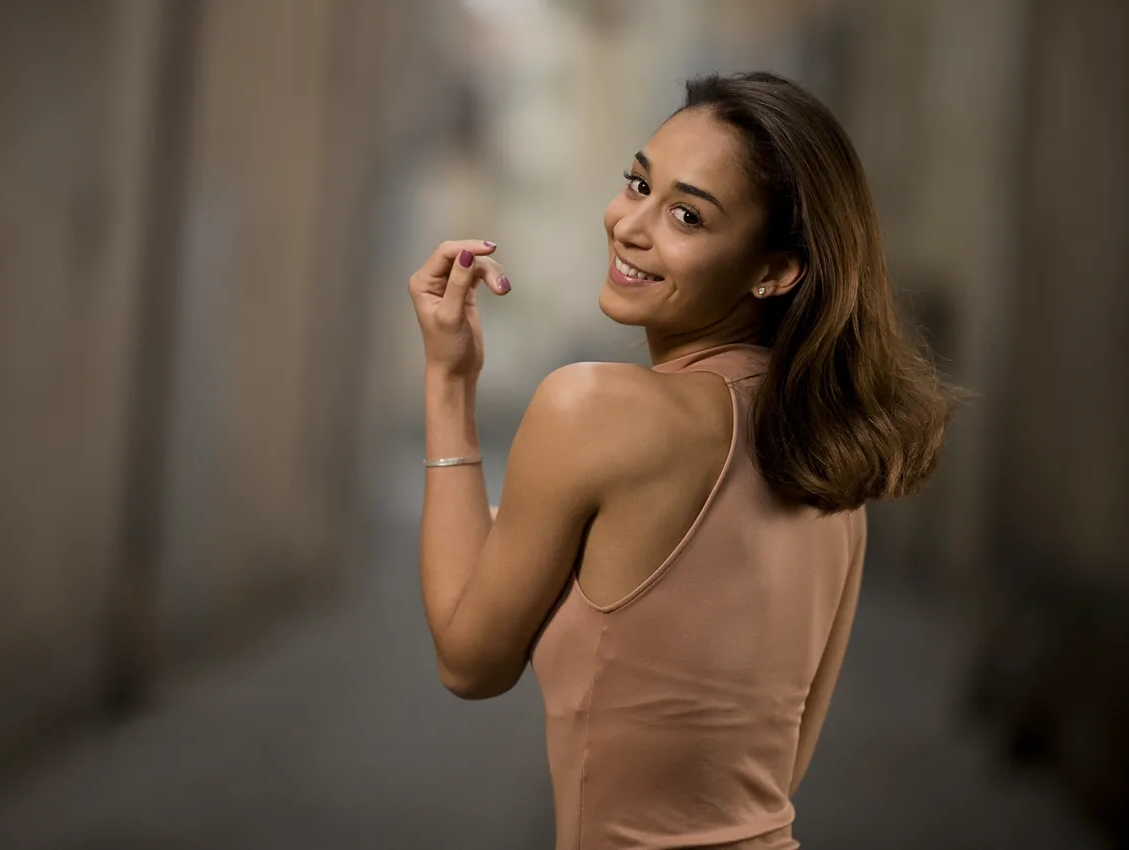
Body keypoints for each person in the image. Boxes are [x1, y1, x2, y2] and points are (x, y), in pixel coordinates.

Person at [407, 71, 956, 850]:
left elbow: (470, 662)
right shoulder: (832, 474)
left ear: (774, 270)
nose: (630, 225)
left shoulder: (593, 407)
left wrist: (448, 383)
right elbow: (776, 773)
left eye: (687, 215)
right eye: (638, 182)